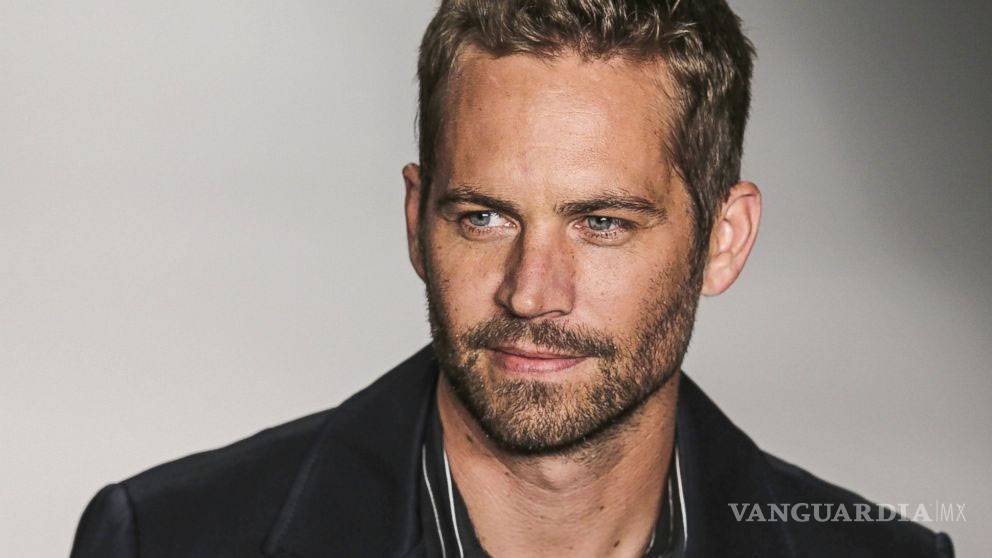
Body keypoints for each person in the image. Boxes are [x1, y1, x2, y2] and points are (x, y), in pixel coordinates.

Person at [71, 1, 954, 556]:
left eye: (602, 224)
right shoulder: (167, 540)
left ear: (724, 239)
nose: (531, 293)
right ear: (417, 220)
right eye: (484, 217)